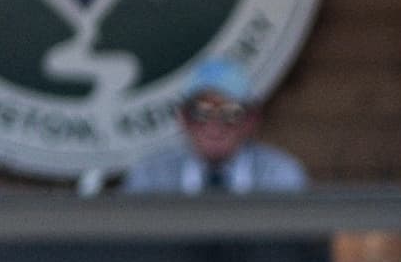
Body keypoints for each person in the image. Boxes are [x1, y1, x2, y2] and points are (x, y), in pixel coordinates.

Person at [121, 59, 308, 194]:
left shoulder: (280, 175)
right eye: (200, 112)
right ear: (183, 118)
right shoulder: (150, 177)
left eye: (231, 113)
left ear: (251, 120)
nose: (214, 125)